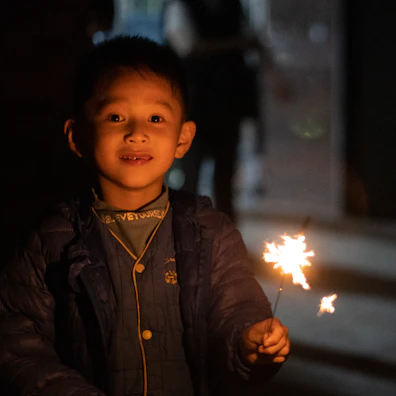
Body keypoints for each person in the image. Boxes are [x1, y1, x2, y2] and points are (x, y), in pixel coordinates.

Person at [0, 35, 290, 396]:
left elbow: (237, 308)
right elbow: (16, 342)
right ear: (77, 136)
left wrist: (249, 340)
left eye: (156, 117)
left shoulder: (210, 233)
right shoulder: (51, 242)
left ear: (183, 138)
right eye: (116, 116)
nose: (137, 133)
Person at [162, 0, 290, 221]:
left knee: (225, 180)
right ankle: (181, 240)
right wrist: (237, 44)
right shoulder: (182, 6)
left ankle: (225, 244)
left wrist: (274, 76)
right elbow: (188, 45)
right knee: (191, 177)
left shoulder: (232, 7)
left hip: (227, 104)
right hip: (195, 106)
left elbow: (254, 41)